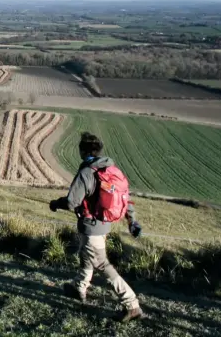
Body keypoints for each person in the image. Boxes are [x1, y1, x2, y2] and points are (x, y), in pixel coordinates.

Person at [49, 132, 145, 323]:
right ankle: (79, 288)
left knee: (101, 264)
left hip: (90, 225)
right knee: (87, 255)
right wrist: (131, 220)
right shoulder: (111, 170)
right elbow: (126, 199)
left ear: (83, 151)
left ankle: (131, 304)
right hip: (103, 225)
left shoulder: (87, 172)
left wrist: (55, 203)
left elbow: (71, 202)